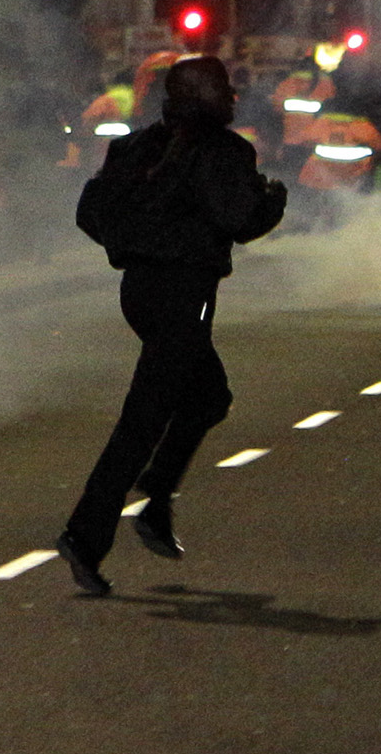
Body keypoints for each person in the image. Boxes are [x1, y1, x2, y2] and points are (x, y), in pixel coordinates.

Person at [61, 56, 287, 596]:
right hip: (185, 295)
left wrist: (136, 242)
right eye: (225, 89)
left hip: (139, 292)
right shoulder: (224, 152)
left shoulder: (134, 147)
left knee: (208, 397)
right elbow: (242, 220)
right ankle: (85, 536)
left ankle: (157, 500)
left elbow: (90, 212)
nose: (234, 98)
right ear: (205, 97)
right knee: (144, 419)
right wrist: (273, 200)